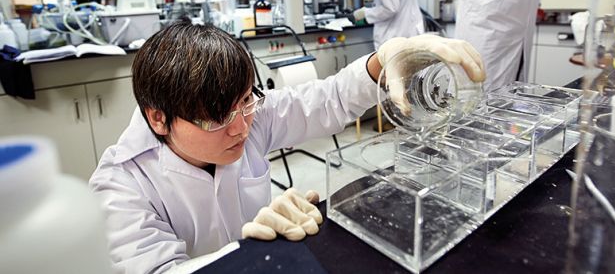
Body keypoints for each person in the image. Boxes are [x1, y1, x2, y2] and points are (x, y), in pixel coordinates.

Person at [89, 19, 485, 273]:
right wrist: (243, 254)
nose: (241, 127)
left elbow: (328, 99)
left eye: (245, 101)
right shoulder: (120, 186)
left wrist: (381, 61)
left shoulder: (248, 114)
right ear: (158, 117)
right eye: (216, 119)